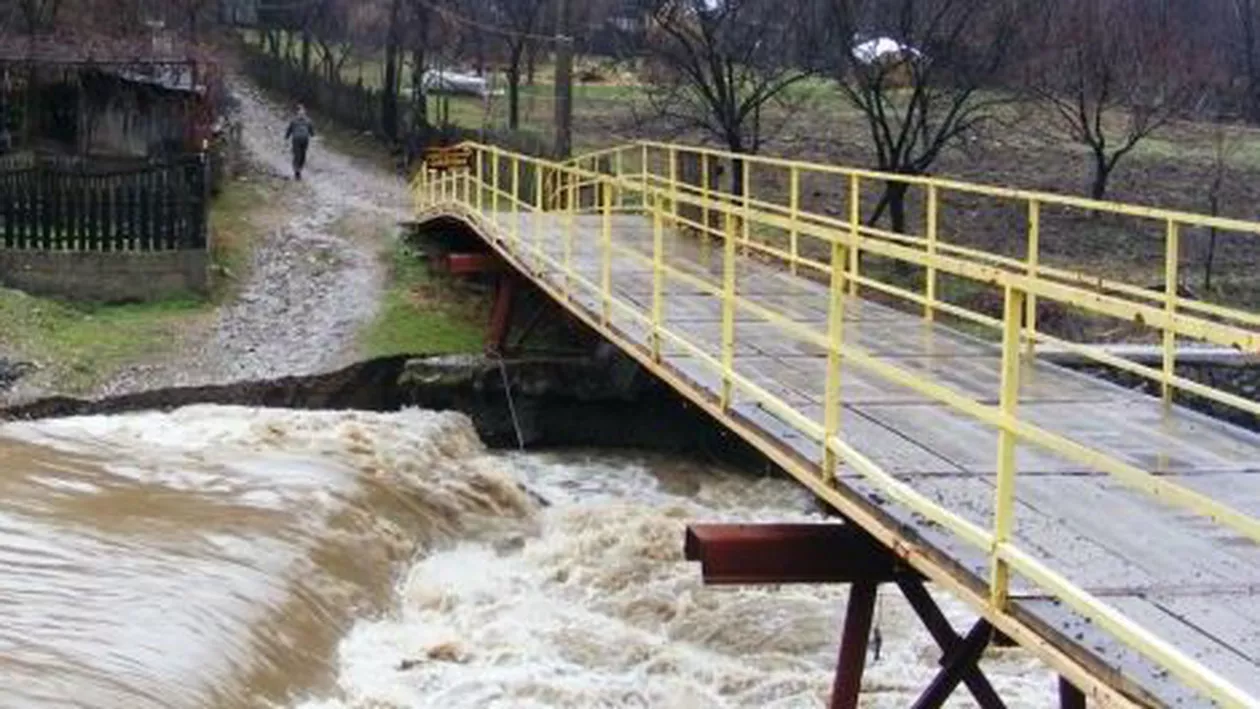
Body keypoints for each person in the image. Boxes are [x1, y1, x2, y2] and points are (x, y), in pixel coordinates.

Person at [284, 104, 315, 180]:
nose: (301, 114)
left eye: (302, 113)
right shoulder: (294, 121)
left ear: (305, 113)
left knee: (302, 155)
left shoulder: (308, 121)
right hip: (296, 140)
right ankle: (297, 170)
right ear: (297, 113)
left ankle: (298, 169)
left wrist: (286, 137)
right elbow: (289, 130)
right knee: (297, 154)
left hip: (304, 140)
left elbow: (311, 132)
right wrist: (286, 137)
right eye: (300, 113)